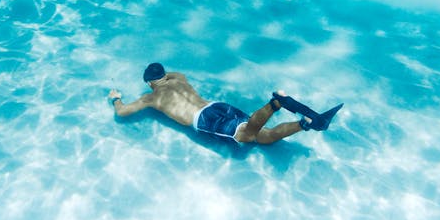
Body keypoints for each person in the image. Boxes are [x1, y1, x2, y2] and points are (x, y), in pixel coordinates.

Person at [108, 62, 342, 146]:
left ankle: (275, 103)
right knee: (263, 137)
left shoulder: (151, 97)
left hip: (205, 120)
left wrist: (116, 98)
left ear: (149, 83)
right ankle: (305, 124)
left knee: (248, 134)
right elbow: (164, 74)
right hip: (218, 106)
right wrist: (160, 73)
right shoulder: (178, 78)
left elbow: (123, 113)